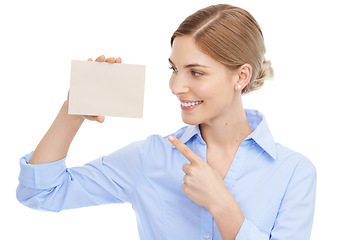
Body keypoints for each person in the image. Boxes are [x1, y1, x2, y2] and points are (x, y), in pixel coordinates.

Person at [16, 4, 316, 240]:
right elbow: (40, 193)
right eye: (174, 69)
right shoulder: (150, 157)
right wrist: (73, 110)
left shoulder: (294, 173)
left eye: (195, 72)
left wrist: (222, 205)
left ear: (241, 76)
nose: (175, 87)